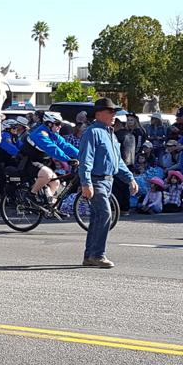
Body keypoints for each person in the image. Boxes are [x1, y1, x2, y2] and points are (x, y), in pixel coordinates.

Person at [78, 97, 138, 268]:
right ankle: (98, 255)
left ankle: (90, 255)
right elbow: (86, 159)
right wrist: (86, 182)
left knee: (98, 218)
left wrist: (130, 179)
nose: (114, 115)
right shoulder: (93, 132)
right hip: (96, 181)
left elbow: (117, 162)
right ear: (98, 114)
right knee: (105, 215)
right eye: (110, 112)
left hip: (107, 181)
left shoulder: (110, 133)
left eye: (114, 112)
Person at [19, 112, 80, 205]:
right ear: (49, 124)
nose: (60, 127)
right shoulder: (40, 133)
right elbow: (52, 149)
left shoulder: (52, 133)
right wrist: (68, 159)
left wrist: (82, 155)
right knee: (47, 174)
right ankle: (31, 195)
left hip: (40, 162)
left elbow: (65, 146)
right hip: (28, 162)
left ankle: (50, 206)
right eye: (58, 124)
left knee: (55, 182)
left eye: (61, 124)